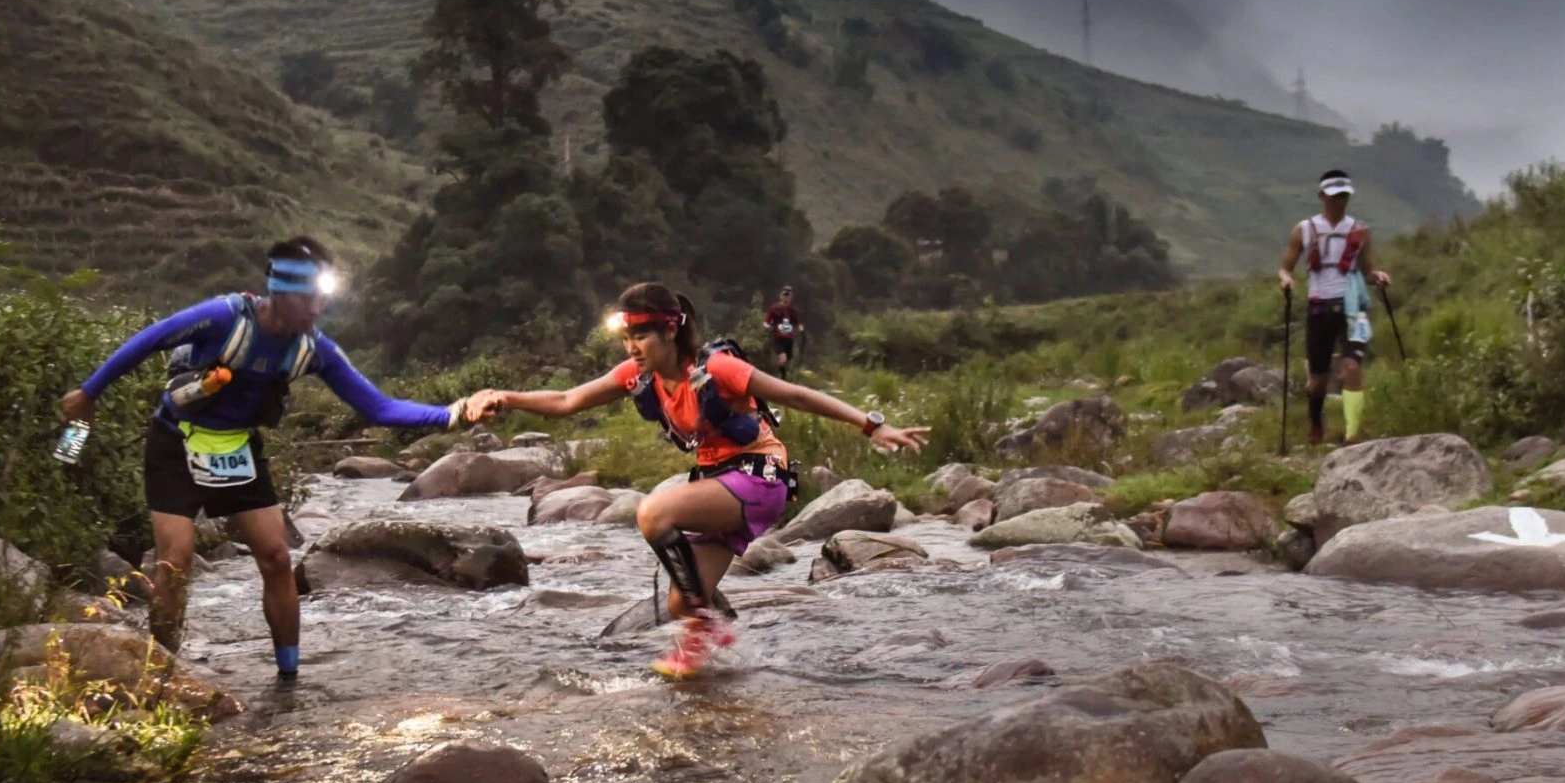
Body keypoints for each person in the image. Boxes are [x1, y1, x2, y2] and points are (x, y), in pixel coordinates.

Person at [59, 237, 480, 680]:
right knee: (175, 559)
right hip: (176, 442)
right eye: (309, 299)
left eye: (323, 299)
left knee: (278, 559)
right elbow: (149, 341)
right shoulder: (222, 318)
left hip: (237, 449)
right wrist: (89, 392)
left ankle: (289, 676)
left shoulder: (315, 350)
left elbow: (378, 408)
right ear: (280, 292)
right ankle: (164, 673)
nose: (318, 310)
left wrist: (451, 413)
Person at [472, 282, 926, 678]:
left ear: (671, 330)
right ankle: (722, 670)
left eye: (642, 336)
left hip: (759, 477)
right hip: (718, 485)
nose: (632, 347)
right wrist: (508, 398)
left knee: (653, 511)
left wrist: (872, 425)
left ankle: (704, 626)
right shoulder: (637, 375)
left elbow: (795, 394)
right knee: (681, 603)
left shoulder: (717, 369)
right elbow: (567, 399)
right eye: (627, 337)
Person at [1278, 170, 1391, 446]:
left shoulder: (1359, 230)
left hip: (1353, 307)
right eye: (1334, 196)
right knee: (1317, 380)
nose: (1340, 202)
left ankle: (1353, 434)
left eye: (1344, 196)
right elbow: (1285, 267)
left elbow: (1366, 270)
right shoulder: (1303, 229)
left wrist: (1377, 276)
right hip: (1319, 307)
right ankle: (1316, 424)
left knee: (1352, 366)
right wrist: (1287, 279)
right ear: (1322, 197)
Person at [763, 286, 804, 371]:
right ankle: (779, 376)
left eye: (788, 296)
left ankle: (779, 372)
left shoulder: (793, 311)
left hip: (789, 339)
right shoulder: (774, 309)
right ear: (781, 296)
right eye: (785, 295)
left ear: (791, 297)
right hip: (778, 338)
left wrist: (801, 329)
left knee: (787, 360)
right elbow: (765, 323)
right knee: (783, 358)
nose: (786, 298)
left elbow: (797, 323)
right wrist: (769, 327)